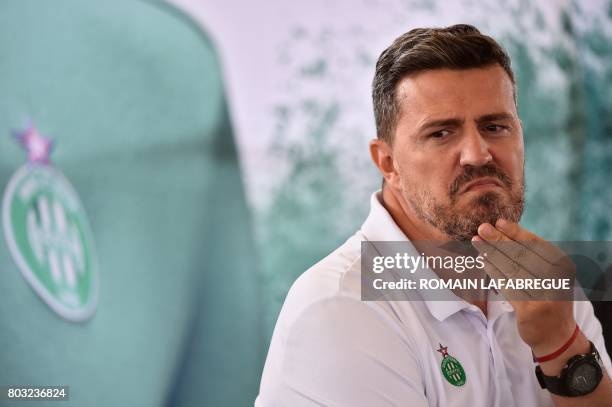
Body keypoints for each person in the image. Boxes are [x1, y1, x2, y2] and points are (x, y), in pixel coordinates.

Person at [255, 24, 612, 406]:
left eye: (495, 126)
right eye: (442, 133)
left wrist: (561, 344)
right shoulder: (337, 307)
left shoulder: (548, 284)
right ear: (387, 162)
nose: (478, 154)